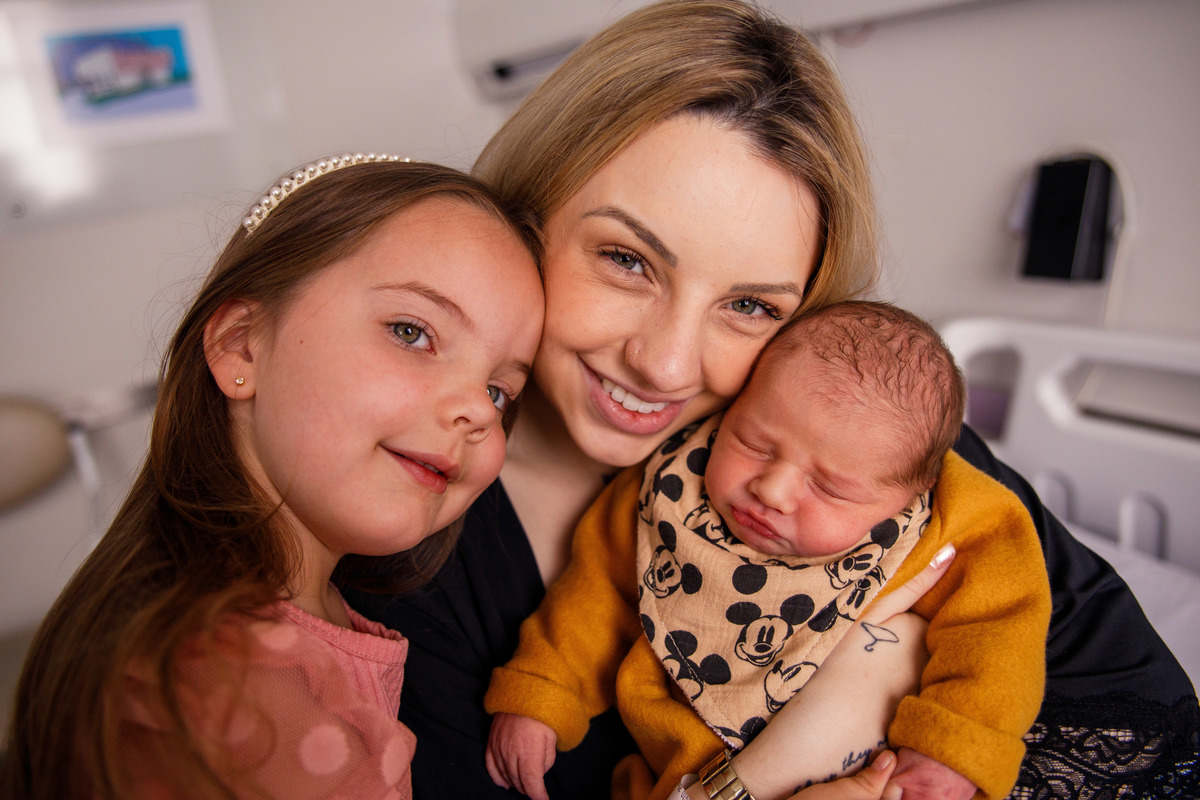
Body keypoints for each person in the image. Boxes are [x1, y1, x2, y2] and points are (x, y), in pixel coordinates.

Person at [343, 1, 1200, 799]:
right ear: (525, 219)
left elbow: (1148, 723)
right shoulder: (407, 562)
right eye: (627, 260)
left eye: (750, 307)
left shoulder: (864, 431)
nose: (669, 365)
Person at [0, 157, 547, 799]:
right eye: (412, 332)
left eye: (500, 390)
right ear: (242, 346)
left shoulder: (290, 629)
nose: (480, 412)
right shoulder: (226, 685)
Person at [484, 301, 1051, 800]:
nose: (771, 490)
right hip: (686, 775)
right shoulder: (668, 490)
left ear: (910, 493)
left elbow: (1000, 633)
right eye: (753, 443)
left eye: (828, 488)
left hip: (874, 769)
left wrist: (953, 744)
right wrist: (542, 693)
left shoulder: (962, 520)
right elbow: (595, 595)